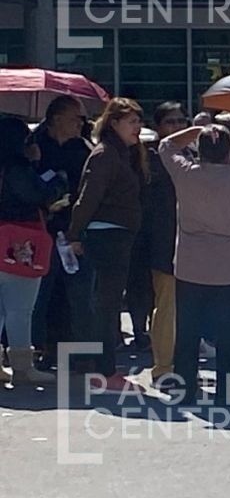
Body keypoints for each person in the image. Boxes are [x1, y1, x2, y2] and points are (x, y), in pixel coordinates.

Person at [159, 124, 230, 406]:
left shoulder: (186, 175)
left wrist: (194, 129)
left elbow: (165, 146)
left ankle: (185, 389)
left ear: (199, 150)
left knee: (188, 332)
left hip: (190, 265)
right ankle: (227, 392)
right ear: (229, 151)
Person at [68, 97, 147, 390]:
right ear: (114, 123)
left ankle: (103, 369)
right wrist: (75, 235)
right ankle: (105, 371)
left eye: (139, 121)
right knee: (106, 305)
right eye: (131, 121)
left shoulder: (121, 153)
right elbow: (88, 197)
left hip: (117, 235)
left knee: (107, 304)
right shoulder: (105, 155)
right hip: (106, 236)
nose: (137, 127)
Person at [29, 95, 93, 370]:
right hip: (39, 229)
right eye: (74, 118)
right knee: (41, 295)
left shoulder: (82, 149)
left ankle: (76, 354)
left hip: (72, 232)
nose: (81, 123)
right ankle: (38, 350)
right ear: (56, 119)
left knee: (76, 296)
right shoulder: (34, 146)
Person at [0, 116, 66, 385]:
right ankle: (22, 367)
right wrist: (55, 177)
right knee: (20, 308)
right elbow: (40, 194)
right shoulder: (16, 167)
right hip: (21, 240)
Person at [141, 102, 189, 383]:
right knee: (166, 306)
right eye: (170, 122)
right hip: (161, 241)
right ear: (158, 127)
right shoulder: (150, 158)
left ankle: (179, 363)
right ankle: (163, 367)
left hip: (191, 241)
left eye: (182, 121)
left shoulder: (191, 156)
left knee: (183, 308)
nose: (177, 127)